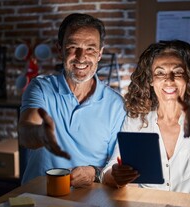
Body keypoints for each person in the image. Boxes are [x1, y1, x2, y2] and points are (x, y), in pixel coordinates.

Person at [101, 40, 190, 195]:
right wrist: (115, 176)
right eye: (160, 73)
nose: (169, 79)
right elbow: (111, 167)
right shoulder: (137, 119)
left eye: (178, 72)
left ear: (189, 78)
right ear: (151, 80)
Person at [18, 13, 126, 187]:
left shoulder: (116, 105)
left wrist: (94, 172)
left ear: (100, 53)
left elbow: (116, 165)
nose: (81, 57)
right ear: (60, 49)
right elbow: (25, 133)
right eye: (73, 46)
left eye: (90, 48)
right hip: (38, 197)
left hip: (90, 202)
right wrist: (40, 134)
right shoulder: (41, 88)